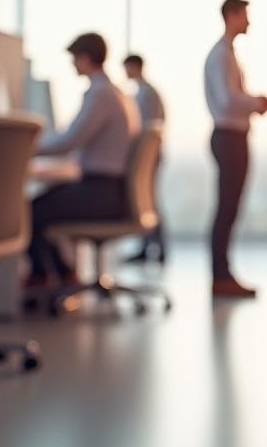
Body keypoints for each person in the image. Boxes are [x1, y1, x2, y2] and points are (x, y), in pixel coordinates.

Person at [26, 33, 138, 293]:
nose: (72, 65)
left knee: (30, 211)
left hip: (101, 193)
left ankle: (45, 276)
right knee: (43, 203)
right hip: (111, 191)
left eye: (74, 59)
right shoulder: (116, 93)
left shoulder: (100, 94)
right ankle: (63, 273)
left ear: (85, 58)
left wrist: (29, 150)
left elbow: (70, 141)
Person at [204, 0, 267, 299]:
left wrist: (255, 104)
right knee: (226, 208)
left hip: (234, 135)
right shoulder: (221, 55)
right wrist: (256, 103)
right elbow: (227, 100)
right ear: (231, 16)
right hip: (229, 137)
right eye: (245, 15)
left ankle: (223, 273)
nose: (248, 21)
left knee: (230, 207)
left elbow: (233, 97)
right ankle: (220, 276)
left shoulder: (228, 54)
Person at [122, 53, 168, 265]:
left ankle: (158, 248)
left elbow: (142, 129)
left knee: (148, 200)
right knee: (147, 200)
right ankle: (150, 248)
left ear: (135, 67)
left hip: (147, 157)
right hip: (150, 155)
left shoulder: (147, 95)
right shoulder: (144, 93)